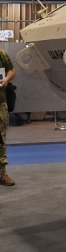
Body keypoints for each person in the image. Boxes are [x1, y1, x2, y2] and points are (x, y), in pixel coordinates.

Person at [0, 47, 16, 185]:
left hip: (0, 104)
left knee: (1, 139)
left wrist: (6, 79)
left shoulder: (1, 53)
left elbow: (11, 70)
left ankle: (2, 174)